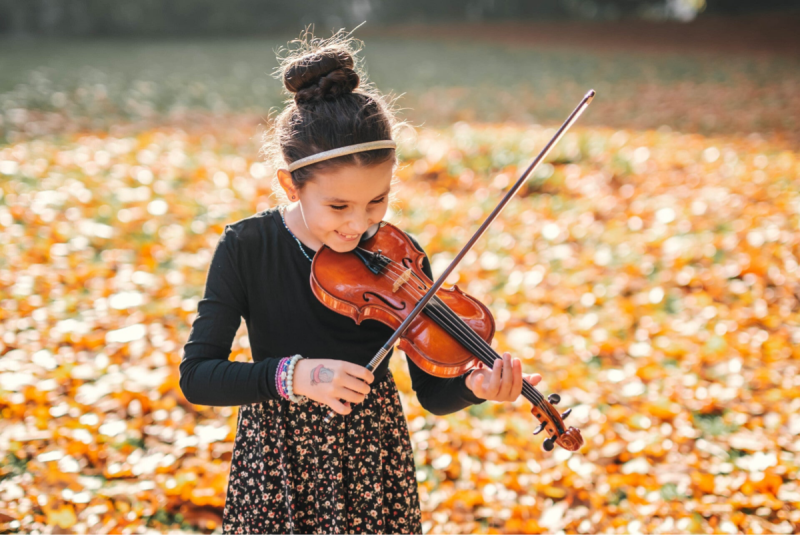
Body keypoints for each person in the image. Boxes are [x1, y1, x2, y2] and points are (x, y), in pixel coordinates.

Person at [179, 29, 543, 534]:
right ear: (291, 183)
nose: (359, 224)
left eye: (377, 201)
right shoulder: (247, 247)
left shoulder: (401, 258)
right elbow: (198, 376)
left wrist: (474, 386)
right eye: (338, 206)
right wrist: (296, 377)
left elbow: (432, 395)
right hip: (277, 469)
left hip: (373, 463)